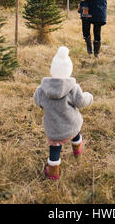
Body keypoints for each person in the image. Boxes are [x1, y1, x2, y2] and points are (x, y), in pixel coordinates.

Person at [34, 46, 93, 180]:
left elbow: (37, 102)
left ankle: (53, 173)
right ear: (69, 71)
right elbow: (81, 101)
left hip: (54, 131)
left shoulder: (41, 90)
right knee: (76, 133)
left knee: (54, 150)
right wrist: (90, 96)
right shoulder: (73, 88)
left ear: (52, 70)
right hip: (71, 126)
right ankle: (77, 151)